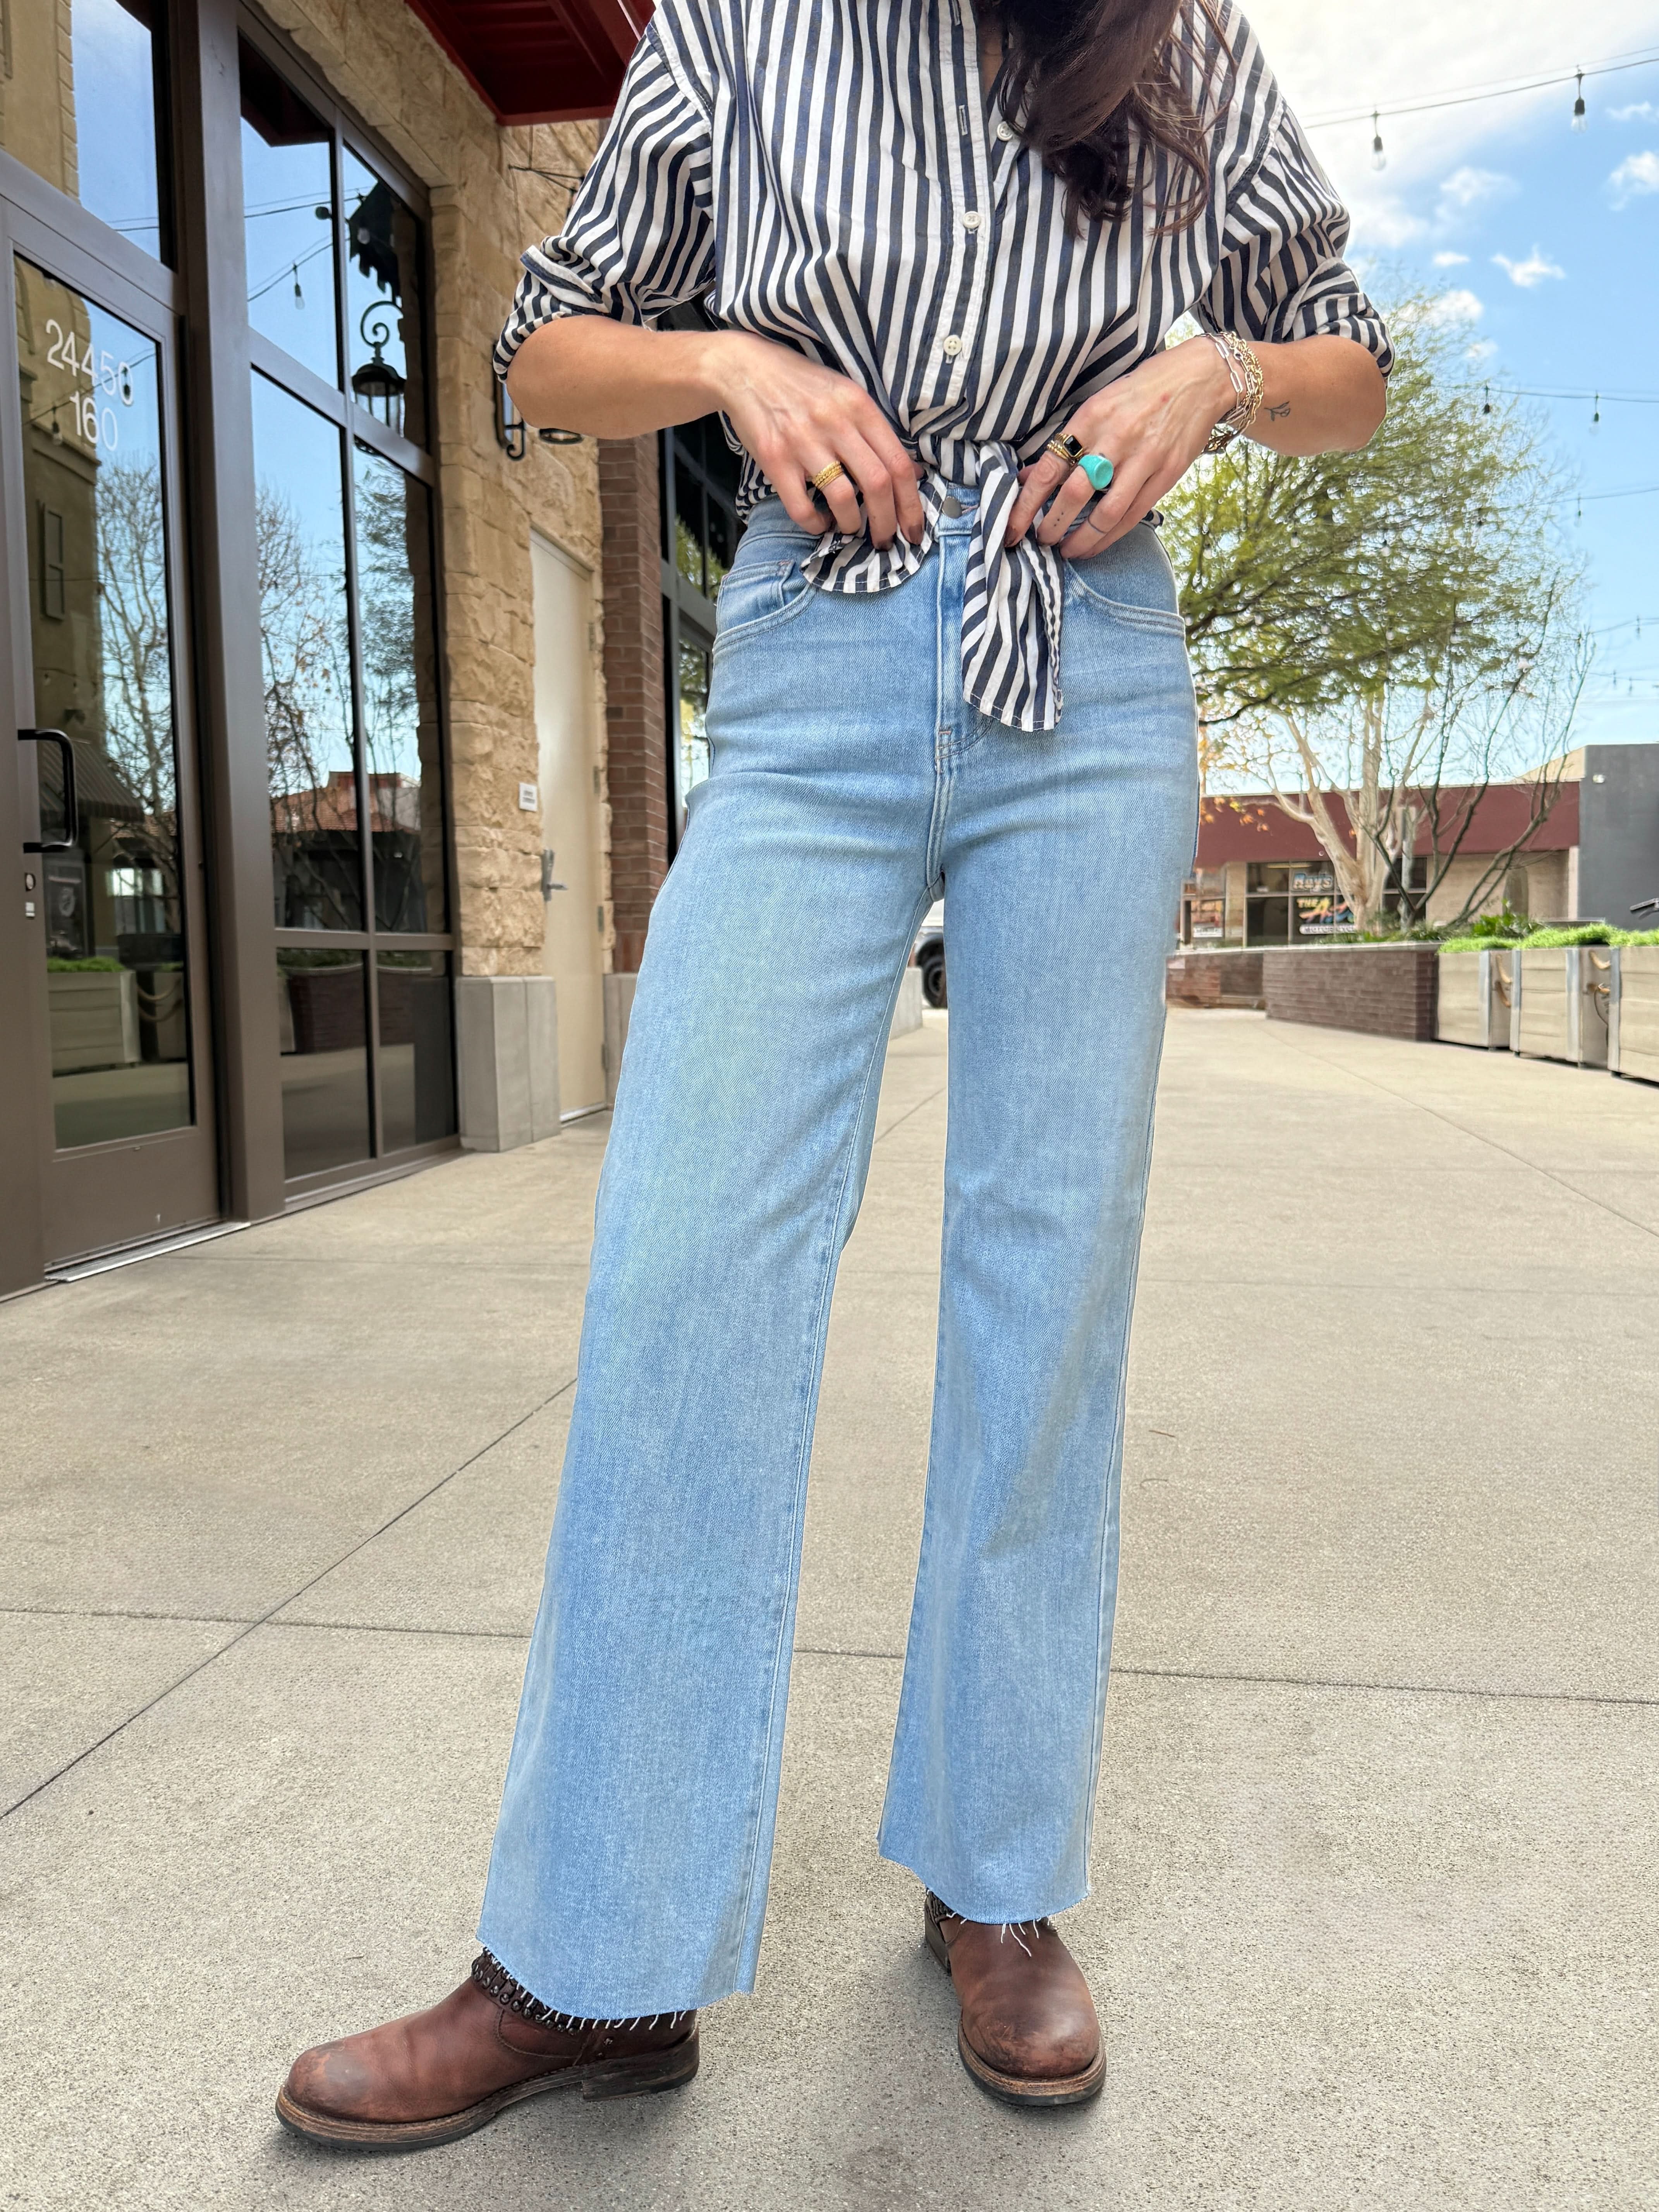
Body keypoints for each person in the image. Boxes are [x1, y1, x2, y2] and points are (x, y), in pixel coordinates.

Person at [278, 0, 1389, 2144]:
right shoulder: (744, 29)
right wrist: (731, 365)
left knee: (1045, 1274)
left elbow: (1343, 366)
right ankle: (595, 1956)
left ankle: (999, 1883)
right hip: (814, 650)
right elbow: (543, 347)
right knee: (692, 1260)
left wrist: (1218, 374)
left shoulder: (1176, 43)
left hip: (1093, 653)